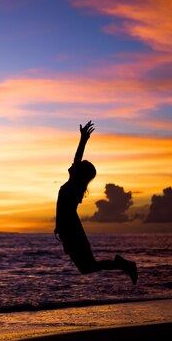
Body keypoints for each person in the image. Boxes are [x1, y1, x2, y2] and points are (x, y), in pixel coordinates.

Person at [54, 121, 138, 284]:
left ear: (79, 173)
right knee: (87, 267)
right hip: (70, 231)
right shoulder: (74, 185)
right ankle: (123, 264)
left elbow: (77, 159)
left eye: (76, 167)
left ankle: (125, 265)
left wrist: (83, 140)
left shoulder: (74, 185)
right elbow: (64, 211)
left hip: (72, 231)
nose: (71, 167)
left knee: (87, 266)